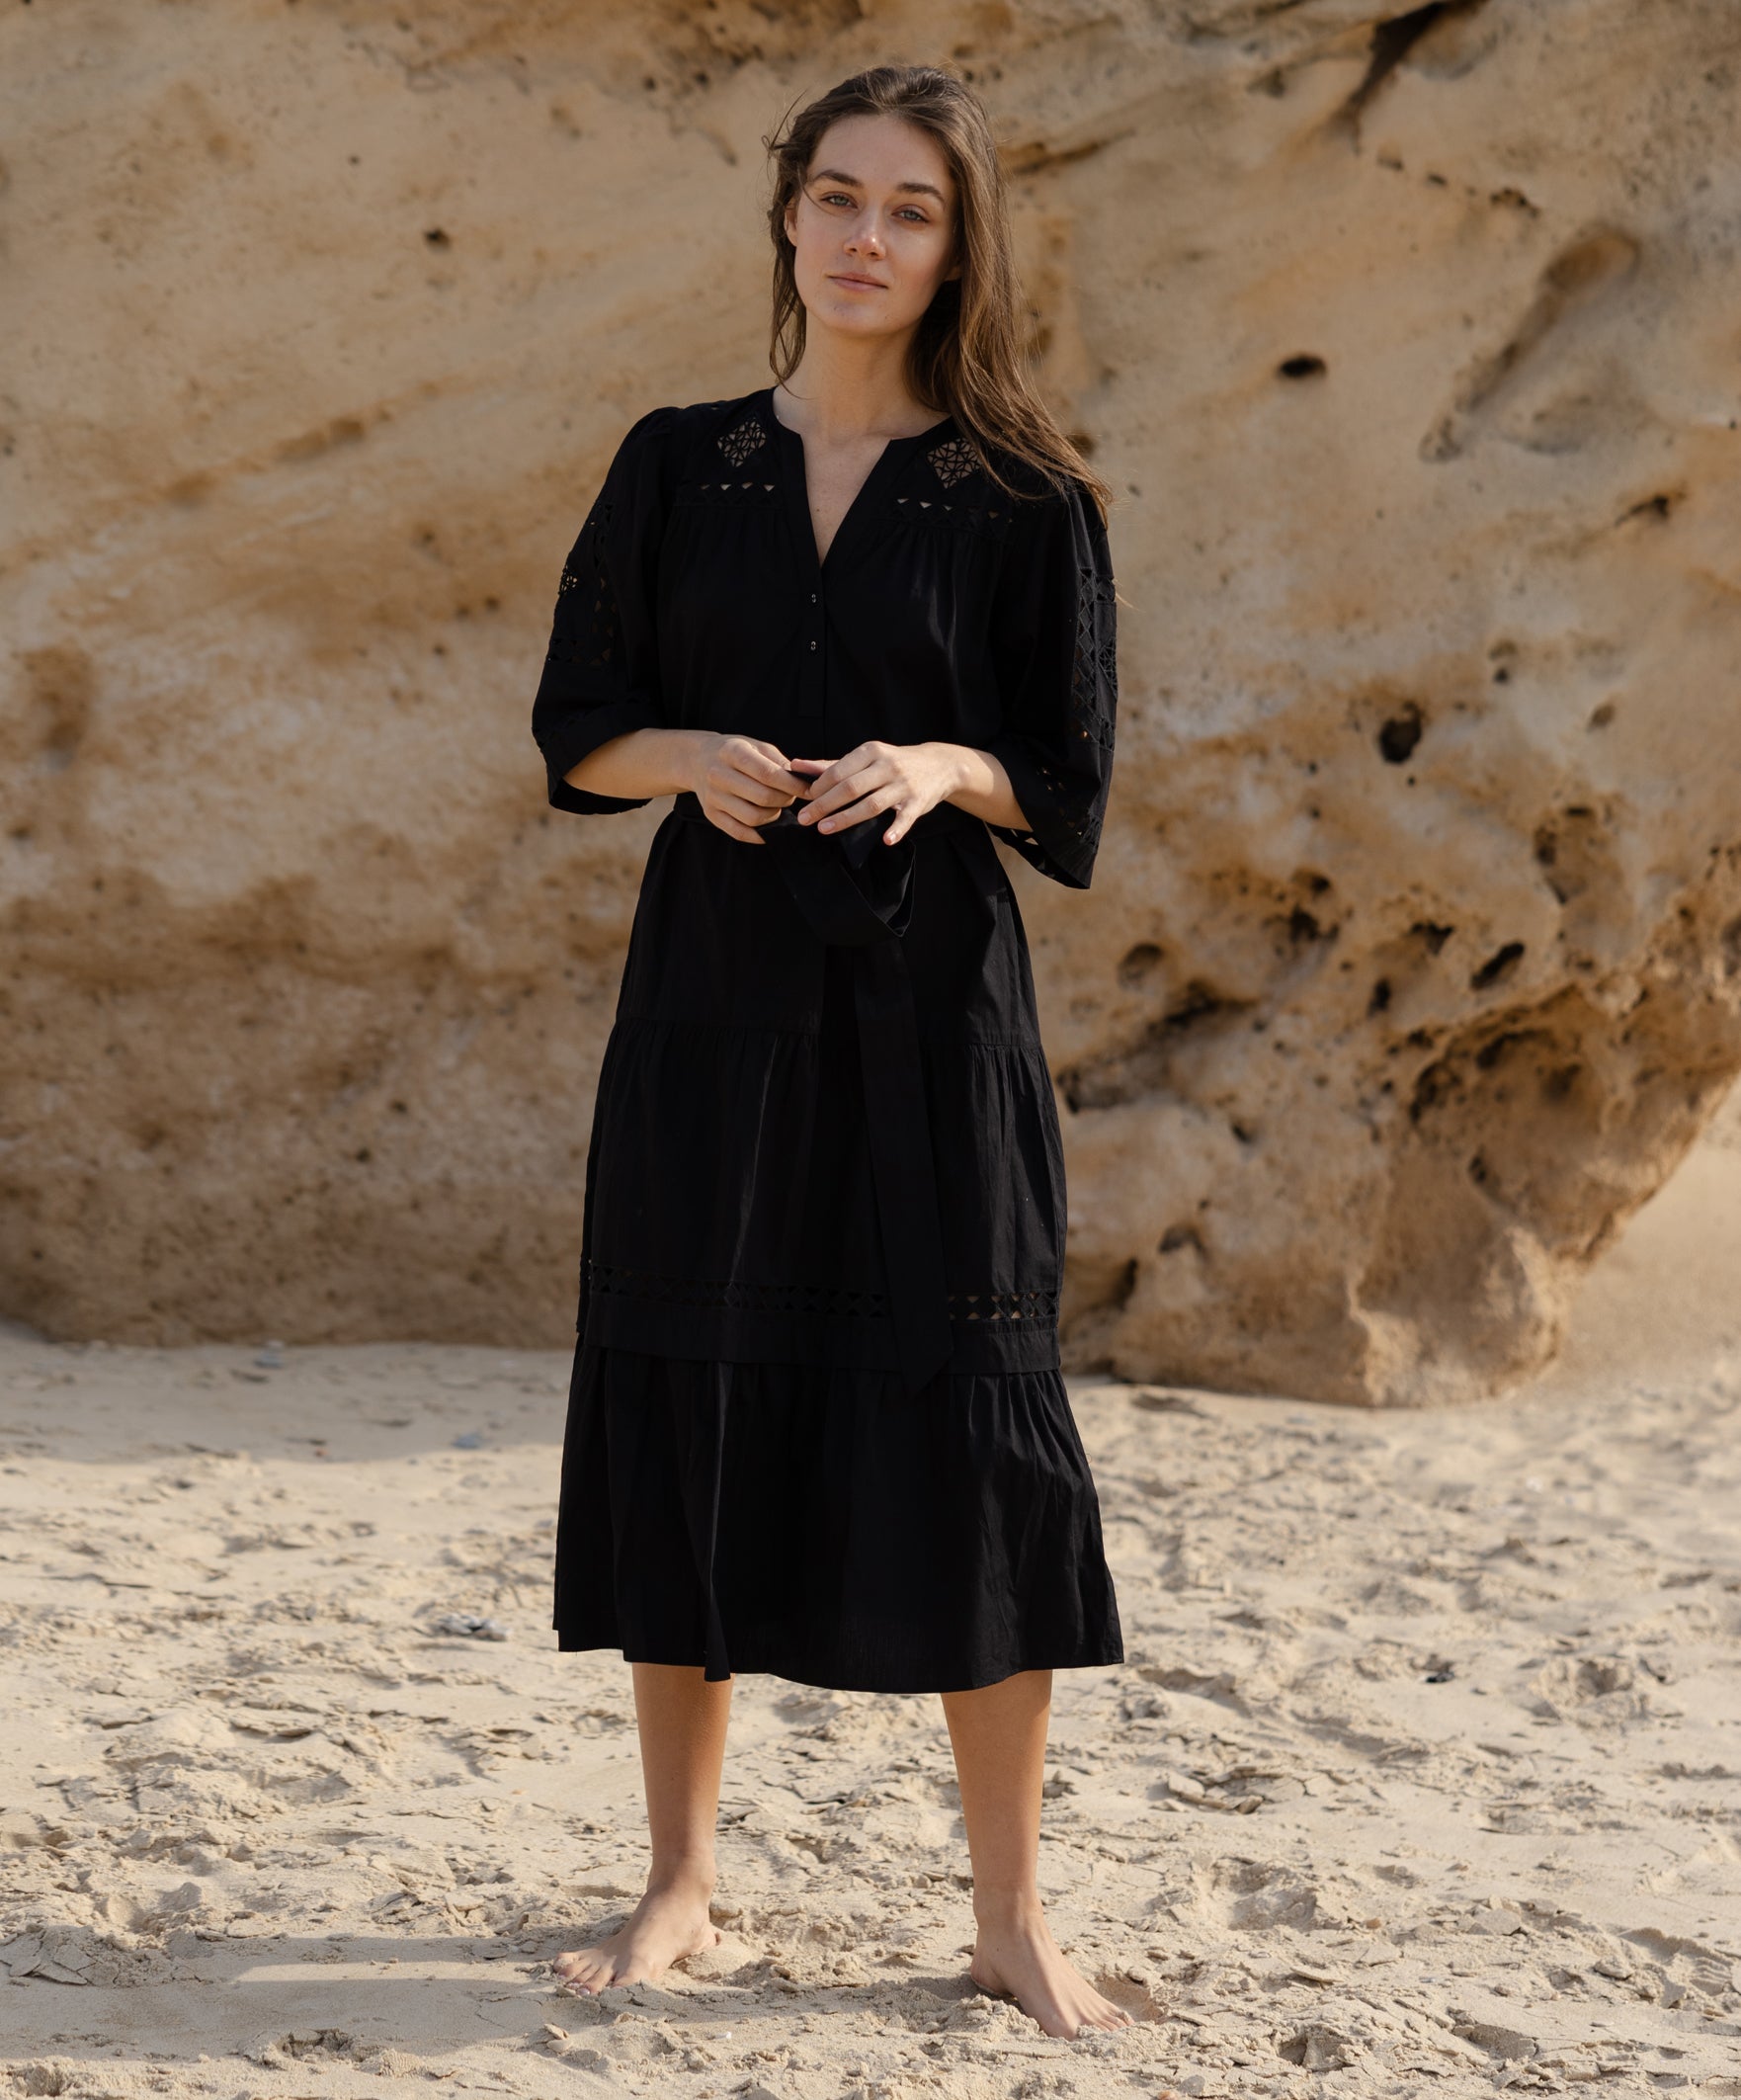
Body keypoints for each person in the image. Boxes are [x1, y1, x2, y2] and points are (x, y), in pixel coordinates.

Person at [530, 62, 1129, 2040]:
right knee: (690, 1394)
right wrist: (687, 752)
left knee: (974, 1415)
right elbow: (577, 728)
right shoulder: (673, 460)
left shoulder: (1025, 498)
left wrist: (943, 759)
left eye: (911, 209)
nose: (865, 235)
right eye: (837, 196)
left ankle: (1008, 1912)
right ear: (785, 215)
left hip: (930, 1016)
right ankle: (680, 1879)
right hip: (709, 1014)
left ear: (958, 247)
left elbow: (1062, 784)